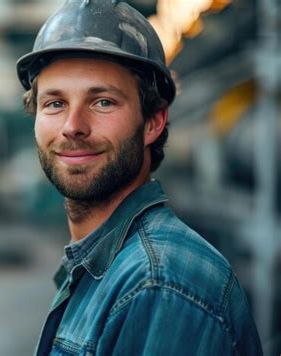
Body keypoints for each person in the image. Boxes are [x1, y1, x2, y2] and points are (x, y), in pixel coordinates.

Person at [16, 0, 263, 355]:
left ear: (153, 122)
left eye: (102, 102)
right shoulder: (105, 265)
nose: (73, 127)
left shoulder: (160, 284)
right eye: (54, 103)